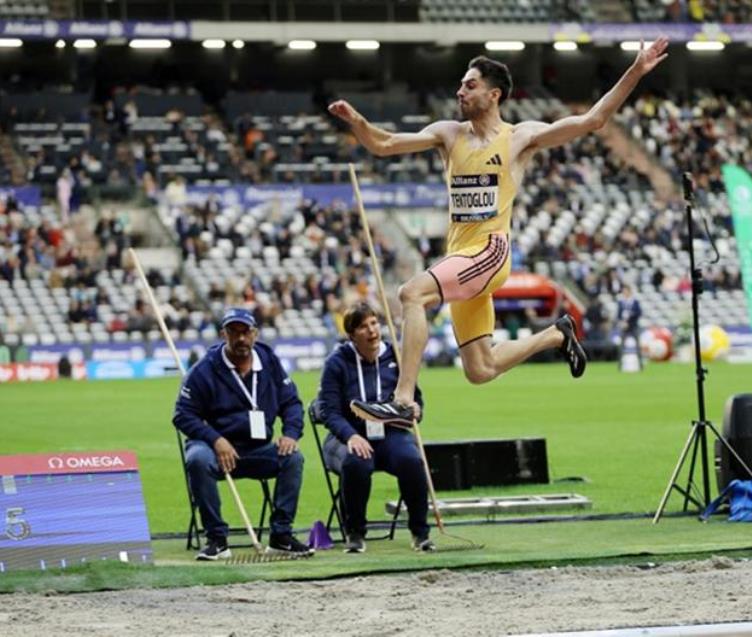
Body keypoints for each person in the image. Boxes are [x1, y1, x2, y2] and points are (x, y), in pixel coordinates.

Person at [328, 37, 670, 425]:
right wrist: (357, 122)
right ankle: (556, 335)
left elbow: (592, 120)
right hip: (459, 256)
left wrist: (635, 70)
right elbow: (384, 144)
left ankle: (403, 401)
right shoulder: (449, 134)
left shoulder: (519, 138)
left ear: (493, 95)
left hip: (490, 253)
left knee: (411, 293)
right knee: (480, 368)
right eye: (460, 85)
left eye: (469, 85)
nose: (460, 91)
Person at [173, 308, 314, 560]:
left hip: (257, 449)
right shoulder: (204, 369)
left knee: (293, 458)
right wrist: (216, 440)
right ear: (223, 334)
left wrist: (291, 434)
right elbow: (183, 414)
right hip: (215, 450)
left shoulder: (269, 362)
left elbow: (291, 402)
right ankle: (216, 539)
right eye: (233, 332)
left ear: (255, 334)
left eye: (246, 332)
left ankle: (281, 536)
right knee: (197, 459)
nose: (240, 339)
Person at [310, 303, 432, 553]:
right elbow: (329, 412)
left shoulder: (397, 357)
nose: (372, 330)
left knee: (412, 460)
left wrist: (416, 410)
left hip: (390, 434)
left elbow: (415, 399)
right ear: (352, 334)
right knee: (356, 462)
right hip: (348, 435)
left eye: (374, 323)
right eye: (364, 326)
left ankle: (420, 533)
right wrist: (351, 436)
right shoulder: (337, 363)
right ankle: (355, 533)